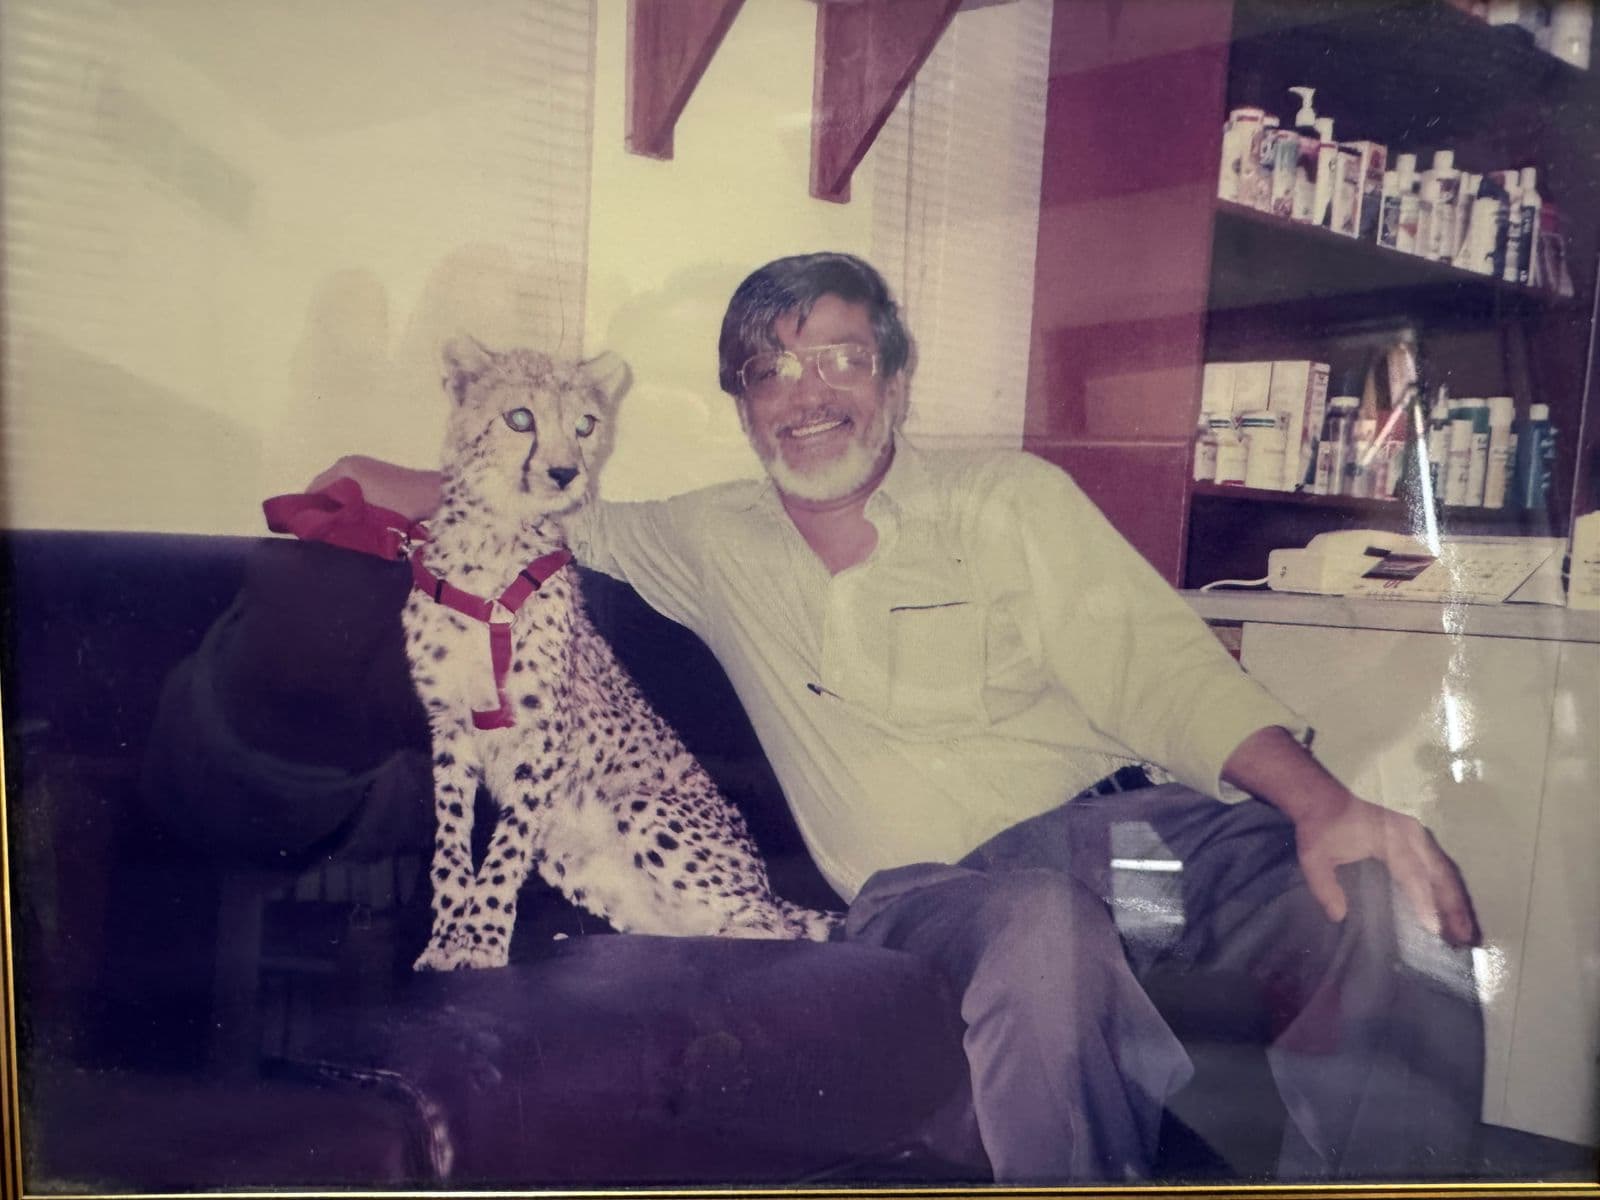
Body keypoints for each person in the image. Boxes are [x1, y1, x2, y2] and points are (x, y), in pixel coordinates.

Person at [312, 251, 1485, 1183]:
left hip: (1141, 848)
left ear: (894, 382)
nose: (809, 394)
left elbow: (1161, 672)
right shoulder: (701, 538)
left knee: (1386, 898)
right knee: (1040, 928)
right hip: (945, 894)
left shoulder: (1007, 497)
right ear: (743, 408)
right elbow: (493, 496)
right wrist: (355, 477)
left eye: (841, 358)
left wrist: (1324, 807)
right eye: (772, 371)